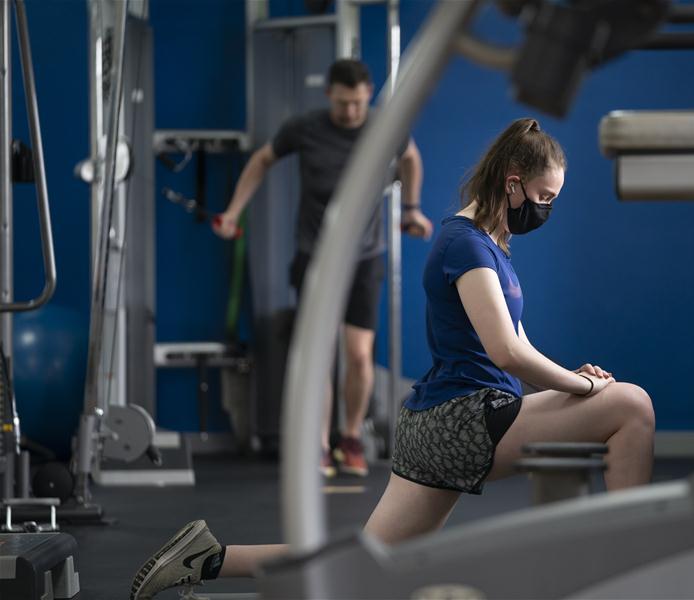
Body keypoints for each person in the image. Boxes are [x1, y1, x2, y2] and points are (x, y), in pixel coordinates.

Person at [129, 118, 655, 600]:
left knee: (368, 565)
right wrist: (584, 391)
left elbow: (521, 342)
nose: (547, 209)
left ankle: (209, 558)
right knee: (631, 406)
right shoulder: (465, 246)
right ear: (513, 181)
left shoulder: (491, 244)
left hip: (439, 421)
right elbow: (506, 352)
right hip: (464, 420)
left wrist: (573, 379)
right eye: (544, 196)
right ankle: (636, 575)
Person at [213, 59, 433, 478]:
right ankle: (316, 444)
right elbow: (261, 160)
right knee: (320, 353)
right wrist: (233, 211)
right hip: (315, 255)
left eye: (357, 103)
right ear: (329, 93)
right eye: (343, 103)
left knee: (359, 354)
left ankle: (349, 439)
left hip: (365, 257)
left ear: (368, 94)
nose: (350, 111)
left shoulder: (385, 127)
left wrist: (411, 209)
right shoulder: (306, 128)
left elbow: (411, 158)